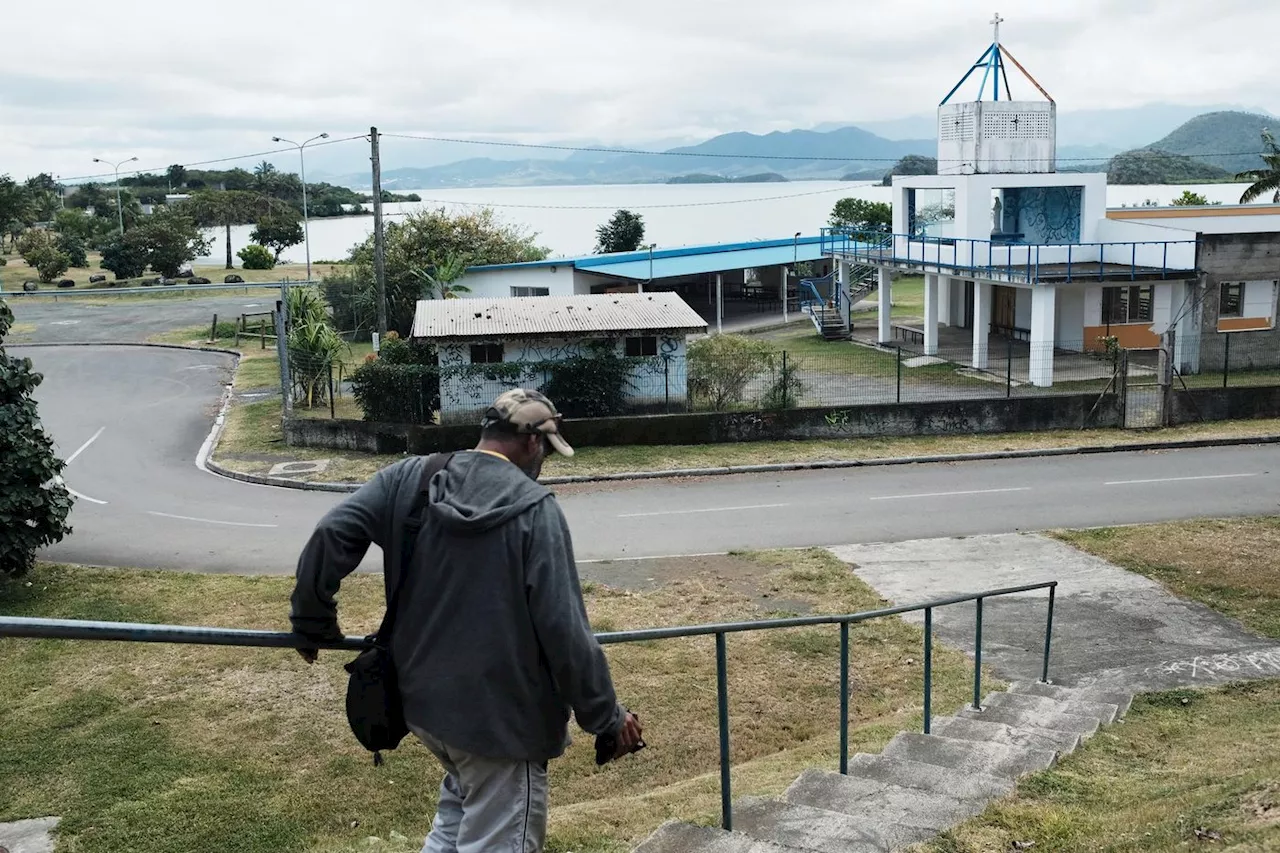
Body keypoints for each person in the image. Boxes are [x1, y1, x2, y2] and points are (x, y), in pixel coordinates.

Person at [289, 388, 643, 853]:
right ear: (534, 444)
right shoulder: (536, 510)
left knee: (456, 823)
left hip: (423, 707)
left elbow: (332, 532)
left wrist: (312, 620)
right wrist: (606, 719)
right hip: (501, 726)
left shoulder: (410, 478)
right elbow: (566, 634)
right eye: (546, 452)